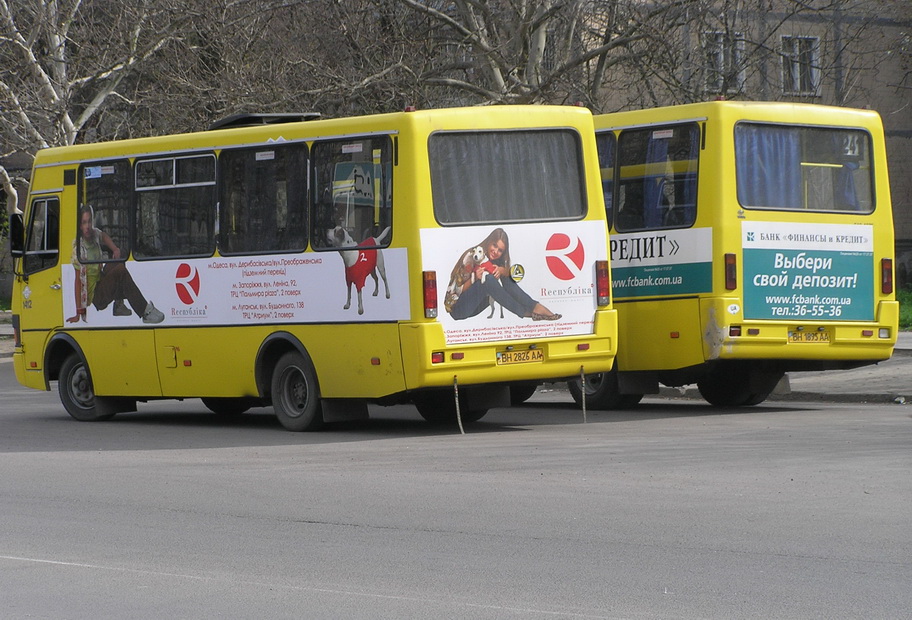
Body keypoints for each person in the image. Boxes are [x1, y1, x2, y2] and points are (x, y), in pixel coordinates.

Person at [66, 205, 164, 324]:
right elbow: (78, 282)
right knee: (120, 271)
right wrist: (78, 312)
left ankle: (119, 305)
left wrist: (115, 249)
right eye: (84, 223)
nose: (87, 226)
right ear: (80, 226)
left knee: (121, 254)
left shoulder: (94, 234)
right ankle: (145, 312)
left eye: (89, 221)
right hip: (96, 295)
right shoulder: (79, 250)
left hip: (100, 279)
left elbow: (103, 236)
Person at [447, 228, 561, 321]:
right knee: (488, 280)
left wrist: (502, 270)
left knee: (502, 276)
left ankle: (534, 306)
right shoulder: (472, 256)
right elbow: (456, 290)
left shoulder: (492, 260)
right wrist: (474, 279)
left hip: (475, 306)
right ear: (489, 242)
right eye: (494, 245)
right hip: (458, 308)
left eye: (500, 250)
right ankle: (526, 312)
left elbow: (508, 279)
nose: (495, 251)